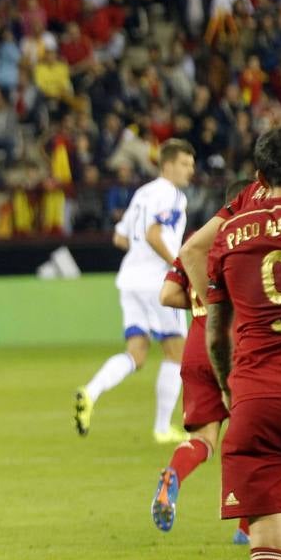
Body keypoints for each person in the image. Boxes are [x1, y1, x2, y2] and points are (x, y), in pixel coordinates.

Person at [205, 127, 281, 560]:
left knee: (270, 545)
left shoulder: (231, 232)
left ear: (257, 179)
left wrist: (227, 389)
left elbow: (215, 333)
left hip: (256, 397)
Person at [152, 179, 255, 537]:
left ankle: (173, 475)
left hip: (197, 342)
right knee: (255, 437)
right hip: (237, 342)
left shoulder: (195, 243)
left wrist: (202, 304)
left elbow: (166, 295)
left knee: (204, 439)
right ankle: (245, 525)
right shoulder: (250, 240)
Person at [75, 139, 196, 442]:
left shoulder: (142, 193)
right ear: (167, 164)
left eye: (192, 165)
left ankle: (90, 391)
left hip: (129, 279)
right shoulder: (173, 196)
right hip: (158, 284)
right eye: (185, 164)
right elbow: (154, 234)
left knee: (136, 353)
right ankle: (161, 428)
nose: (190, 171)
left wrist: (142, 250)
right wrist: (178, 265)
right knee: (176, 352)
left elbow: (120, 238)